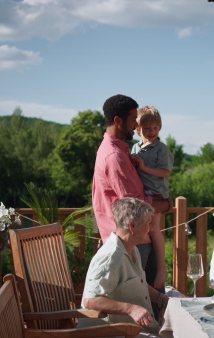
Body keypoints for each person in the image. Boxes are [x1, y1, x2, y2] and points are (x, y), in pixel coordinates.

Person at [91, 94, 171, 316]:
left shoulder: (120, 149)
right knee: (146, 302)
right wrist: (164, 205)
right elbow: (134, 206)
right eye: (133, 119)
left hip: (138, 236)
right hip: (132, 238)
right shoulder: (114, 156)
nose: (137, 124)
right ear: (118, 121)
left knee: (154, 297)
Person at [80, 198, 168, 335]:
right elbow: (91, 300)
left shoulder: (133, 250)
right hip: (111, 333)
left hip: (133, 331)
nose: (151, 228)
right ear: (132, 226)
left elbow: (139, 285)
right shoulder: (110, 257)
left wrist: (162, 299)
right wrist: (131, 309)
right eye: (148, 223)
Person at [130, 106, 173, 297]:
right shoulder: (134, 148)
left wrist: (145, 167)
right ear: (138, 129)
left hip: (155, 194)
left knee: (154, 229)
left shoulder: (160, 148)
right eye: (147, 128)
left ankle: (161, 267)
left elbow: (165, 172)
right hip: (141, 194)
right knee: (144, 229)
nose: (152, 132)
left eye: (155, 128)